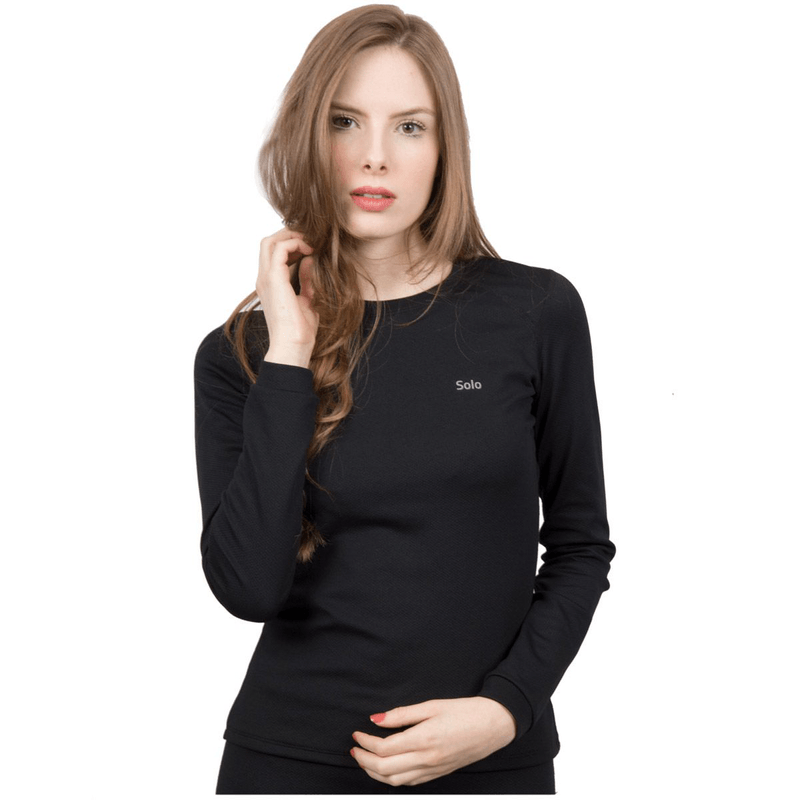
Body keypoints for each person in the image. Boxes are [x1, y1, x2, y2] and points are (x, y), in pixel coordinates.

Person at [193, 4, 615, 794]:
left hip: (491, 760)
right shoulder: (240, 356)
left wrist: (506, 709)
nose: (375, 156)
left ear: (445, 148)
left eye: (410, 127)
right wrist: (288, 359)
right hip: (290, 762)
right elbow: (248, 588)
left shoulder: (534, 312)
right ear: (305, 135)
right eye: (344, 121)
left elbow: (580, 545)